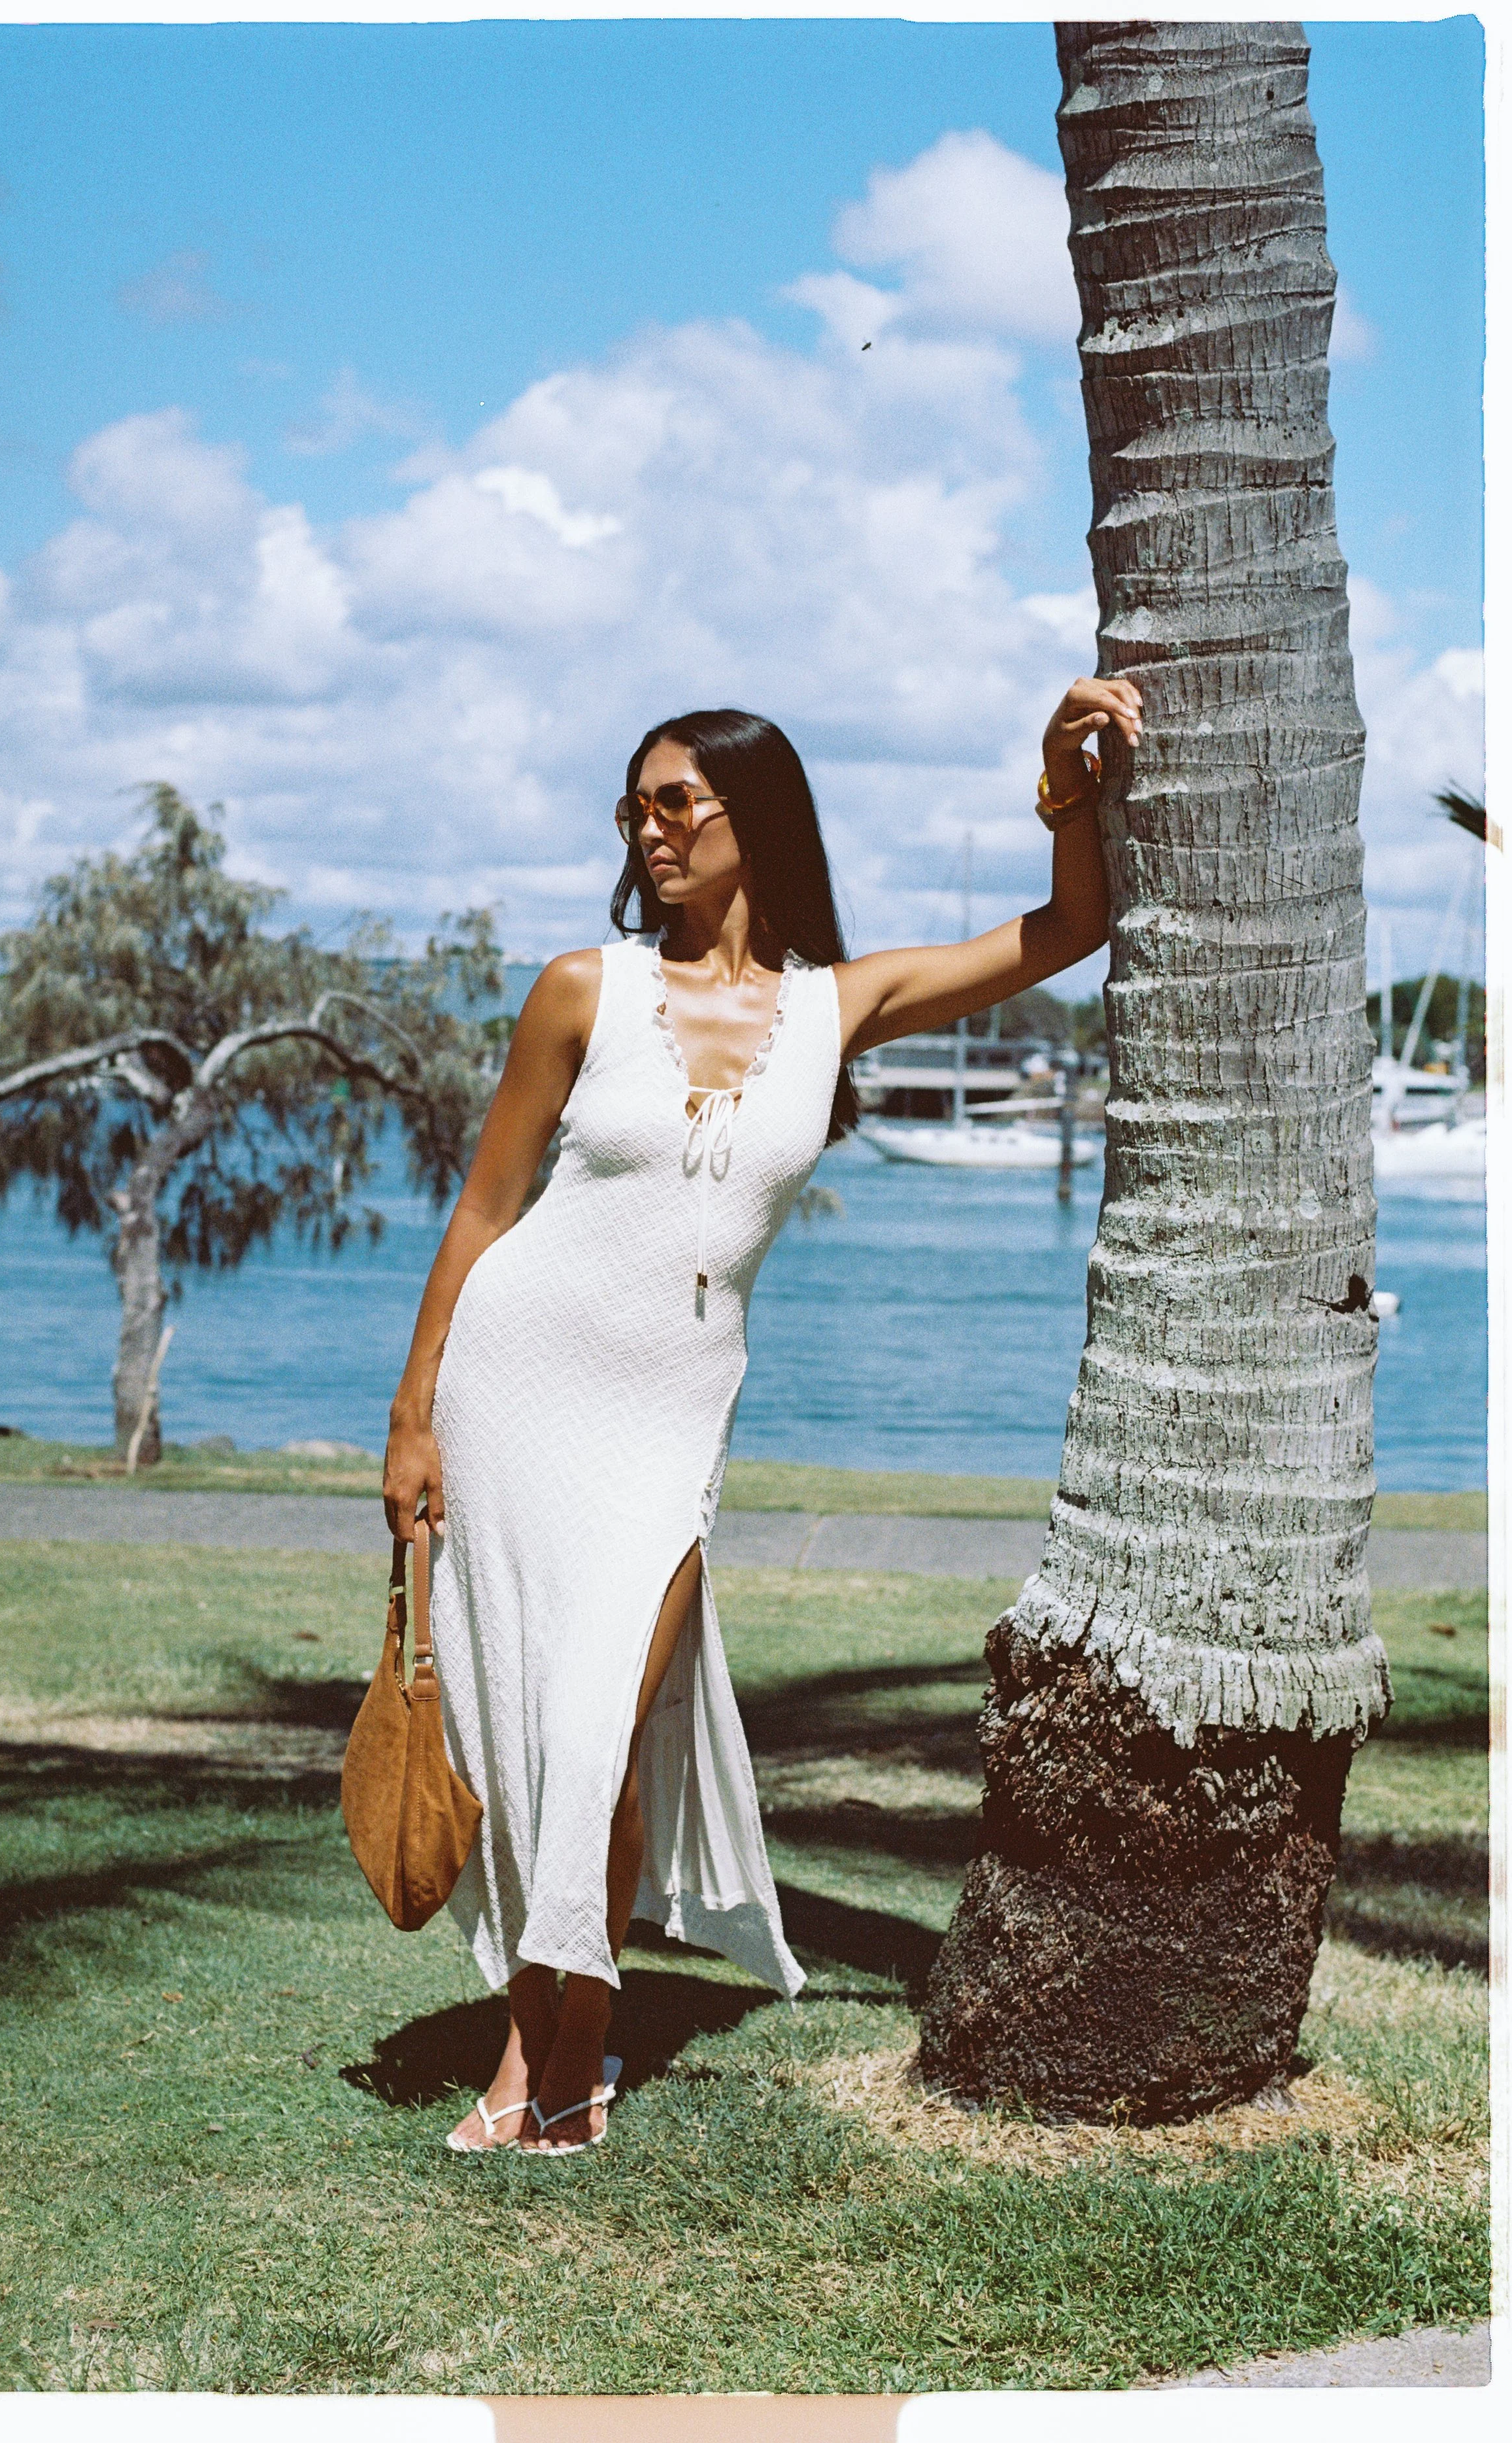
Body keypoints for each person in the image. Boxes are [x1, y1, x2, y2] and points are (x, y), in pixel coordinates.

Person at [382, 674, 1142, 2153]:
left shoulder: (833, 1006)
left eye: (677, 801)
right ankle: (542, 2052)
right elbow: (482, 1211)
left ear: (756, 817)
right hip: (512, 1381)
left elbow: (1065, 931)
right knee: (530, 1732)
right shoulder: (583, 990)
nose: (649, 829)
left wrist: (1063, 782)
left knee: (598, 1725)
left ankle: (568, 2044)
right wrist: (414, 1415)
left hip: (671, 1411)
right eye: (635, 807)